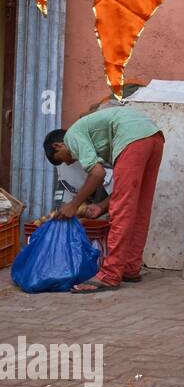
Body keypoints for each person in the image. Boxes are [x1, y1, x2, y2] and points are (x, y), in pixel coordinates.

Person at [43, 105, 165, 293]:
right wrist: (101, 206)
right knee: (140, 206)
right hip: (154, 136)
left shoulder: (72, 136)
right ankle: (130, 268)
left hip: (132, 137)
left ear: (57, 146)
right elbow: (124, 191)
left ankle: (109, 274)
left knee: (121, 212)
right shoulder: (93, 137)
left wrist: (74, 205)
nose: (70, 162)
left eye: (63, 159)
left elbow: (97, 173)